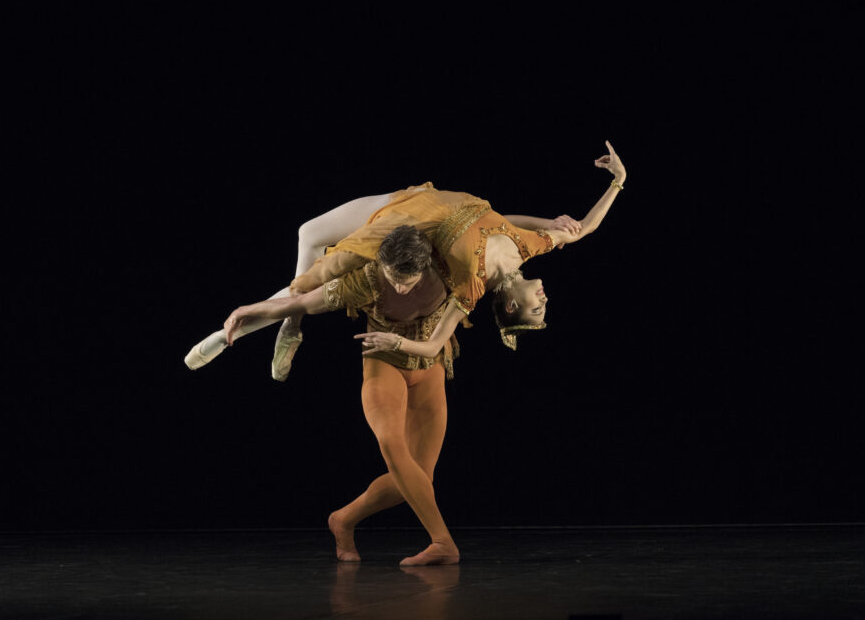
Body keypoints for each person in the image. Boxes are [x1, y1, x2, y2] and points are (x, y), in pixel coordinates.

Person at [185, 140, 626, 373]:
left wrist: (396, 342)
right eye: (542, 306)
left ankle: (241, 330)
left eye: (536, 309)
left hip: (406, 228)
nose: (545, 299)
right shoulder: (532, 245)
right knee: (308, 233)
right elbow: (580, 227)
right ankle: (290, 326)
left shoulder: (470, 287)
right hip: (410, 198)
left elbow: (435, 344)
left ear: (511, 304)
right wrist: (617, 182)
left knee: (320, 279)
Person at [222, 225, 461, 565]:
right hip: (383, 364)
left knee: (420, 477)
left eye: (406, 281)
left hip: (432, 366)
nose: (398, 287)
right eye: (392, 277)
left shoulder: (452, 269)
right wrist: (244, 310)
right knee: (393, 447)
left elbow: (497, 242)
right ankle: (443, 543)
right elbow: (302, 301)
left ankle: (343, 519)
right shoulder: (366, 280)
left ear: (424, 268)